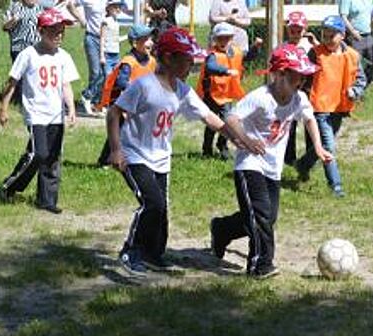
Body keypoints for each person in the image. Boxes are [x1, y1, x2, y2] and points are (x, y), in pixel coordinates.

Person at [107, 27, 264, 276]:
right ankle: (131, 251)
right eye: (187, 59)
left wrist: (237, 137)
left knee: (162, 213)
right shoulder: (144, 86)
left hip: (160, 158)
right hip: (134, 155)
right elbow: (114, 113)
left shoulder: (182, 89)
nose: (191, 65)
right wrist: (116, 150)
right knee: (152, 204)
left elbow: (209, 117)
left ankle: (152, 254)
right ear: (168, 58)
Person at [210, 44, 333, 278]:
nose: (303, 80)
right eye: (298, 75)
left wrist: (317, 146)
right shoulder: (261, 97)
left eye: (305, 76)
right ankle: (260, 265)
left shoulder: (299, 98)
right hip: (250, 164)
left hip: (272, 168)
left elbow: (309, 120)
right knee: (261, 215)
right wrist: (246, 140)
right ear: (281, 75)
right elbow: (231, 118)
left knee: (267, 216)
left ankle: (222, 229)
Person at [0, 8, 79, 214]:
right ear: (41, 31)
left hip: (55, 115)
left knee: (52, 157)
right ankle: (10, 185)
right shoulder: (28, 54)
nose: (59, 35)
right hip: (36, 114)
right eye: (54, 31)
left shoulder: (64, 57)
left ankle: (47, 200)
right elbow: (12, 82)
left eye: (62, 31)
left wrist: (71, 109)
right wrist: (3, 108)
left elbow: (66, 86)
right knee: (38, 153)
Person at [296, 15, 367, 198]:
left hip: (339, 108)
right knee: (328, 145)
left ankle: (303, 164)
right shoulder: (315, 53)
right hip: (319, 107)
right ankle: (335, 185)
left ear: (342, 35)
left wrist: (355, 91)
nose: (327, 40)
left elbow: (361, 79)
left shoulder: (352, 55)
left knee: (321, 146)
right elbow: (304, 76)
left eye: (331, 36)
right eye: (324, 35)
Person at [196, 21, 262, 160]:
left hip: (226, 95)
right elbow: (211, 67)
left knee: (228, 121)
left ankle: (222, 145)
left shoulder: (235, 52)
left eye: (227, 38)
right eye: (220, 38)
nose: (223, 41)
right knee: (212, 124)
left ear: (231, 39)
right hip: (212, 95)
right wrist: (226, 71)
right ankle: (207, 149)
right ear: (215, 39)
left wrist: (255, 47)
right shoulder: (213, 55)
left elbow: (248, 57)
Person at [96, 23, 156, 167]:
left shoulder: (152, 61)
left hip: (138, 102)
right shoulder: (128, 62)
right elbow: (122, 82)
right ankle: (105, 160)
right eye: (146, 39)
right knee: (117, 131)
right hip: (120, 102)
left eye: (151, 38)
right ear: (135, 43)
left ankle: (136, 157)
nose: (151, 42)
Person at [282, 10, 319, 166]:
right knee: (288, 124)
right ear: (287, 29)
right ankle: (288, 157)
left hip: (308, 89)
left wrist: (316, 44)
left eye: (299, 30)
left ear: (305, 29)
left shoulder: (311, 47)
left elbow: (325, 59)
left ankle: (310, 158)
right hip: (289, 90)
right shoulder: (283, 47)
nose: (295, 33)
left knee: (309, 120)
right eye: (292, 30)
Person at [3, 0, 43, 104]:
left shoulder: (41, 8)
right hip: (19, 47)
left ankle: (34, 98)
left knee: (35, 74)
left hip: (36, 47)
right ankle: (18, 100)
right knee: (18, 76)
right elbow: (5, 27)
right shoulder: (14, 7)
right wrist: (13, 20)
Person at [339, 0, 373, 85]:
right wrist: (353, 32)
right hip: (353, 37)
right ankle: (353, 88)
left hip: (369, 35)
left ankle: (363, 85)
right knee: (355, 65)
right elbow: (343, 17)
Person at [99, 0, 125, 78]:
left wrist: (126, 37)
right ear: (109, 8)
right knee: (108, 77)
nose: (118, 9)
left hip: (116, 54)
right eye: (115, 7)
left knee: (116, 76)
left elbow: (116, 39)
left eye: (119, 7)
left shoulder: (117, 22)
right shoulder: (105, 21)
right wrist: (102, 56)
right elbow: (102, 38)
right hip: (107, 54)